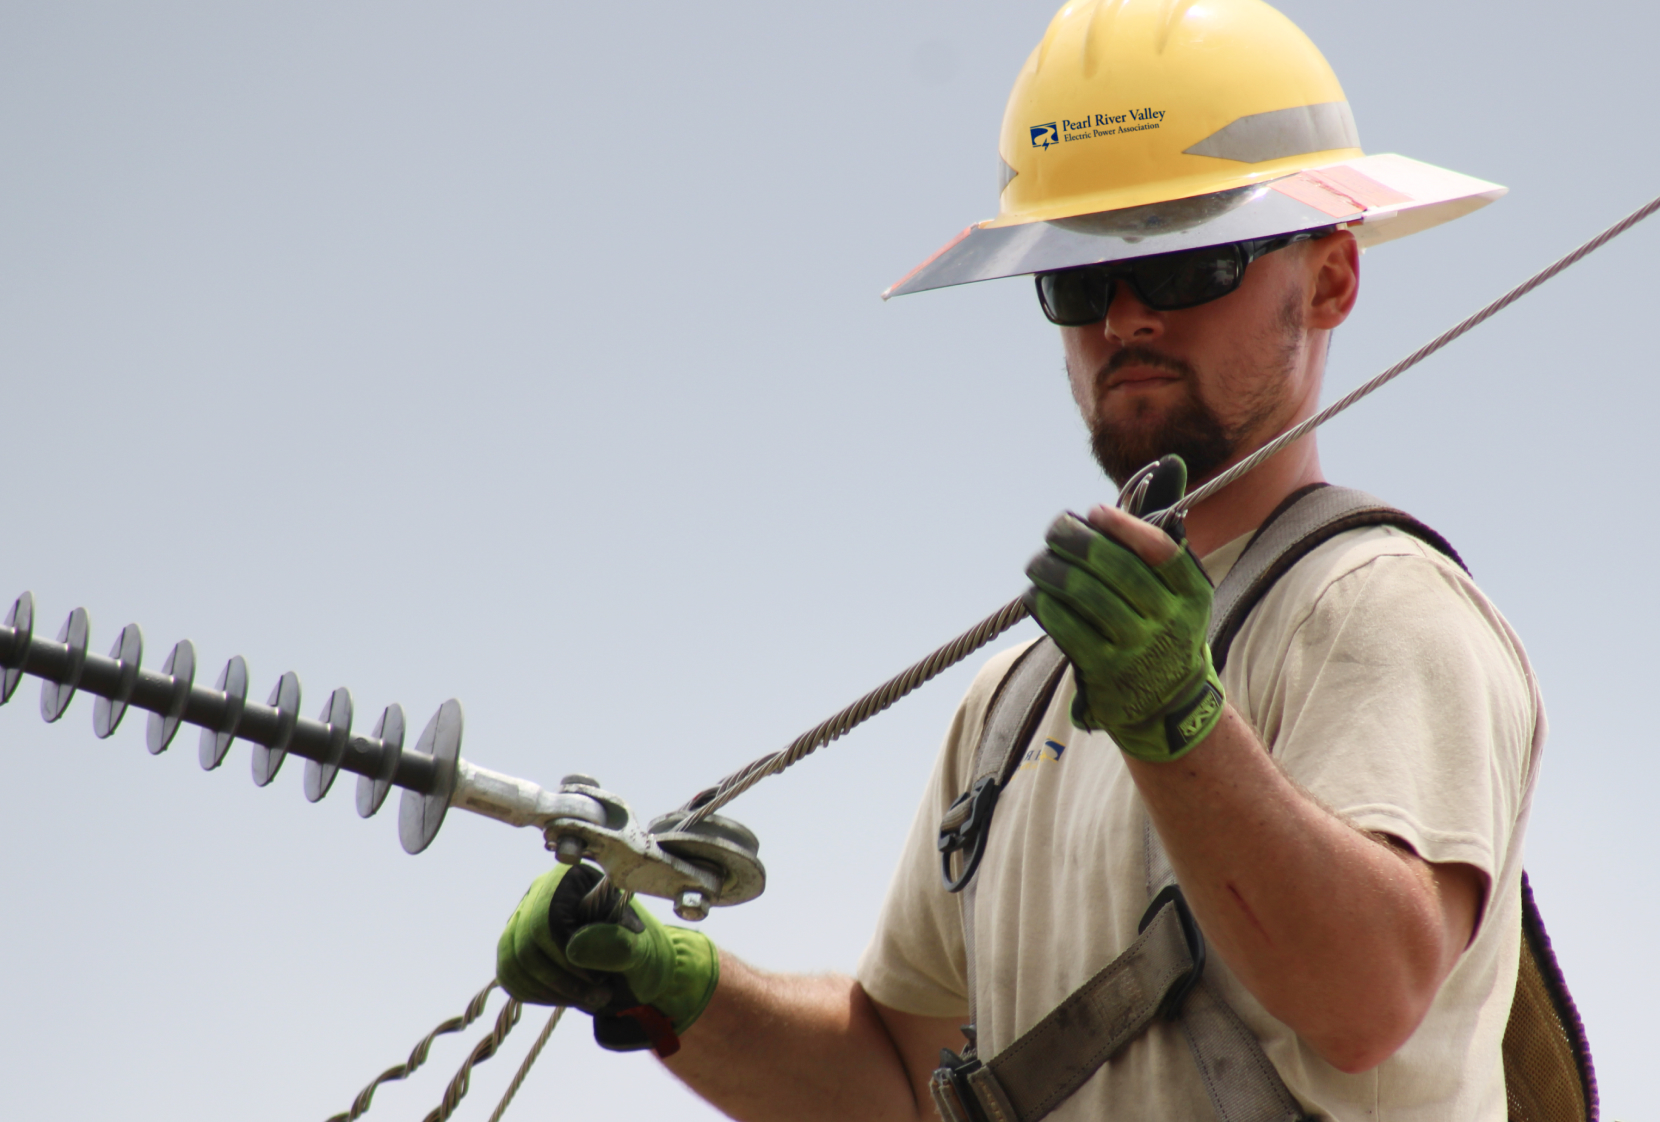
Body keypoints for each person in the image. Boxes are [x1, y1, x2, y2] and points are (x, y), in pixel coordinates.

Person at [494, 1, 1541, 1118]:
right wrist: (673, 990)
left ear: (1330, 281)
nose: (1126, 317)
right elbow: (898, 1081)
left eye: (1188, 262)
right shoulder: (1017, 702)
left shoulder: (1379, 609)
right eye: (1081, 281)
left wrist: (1177, 722)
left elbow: (1365, 998)